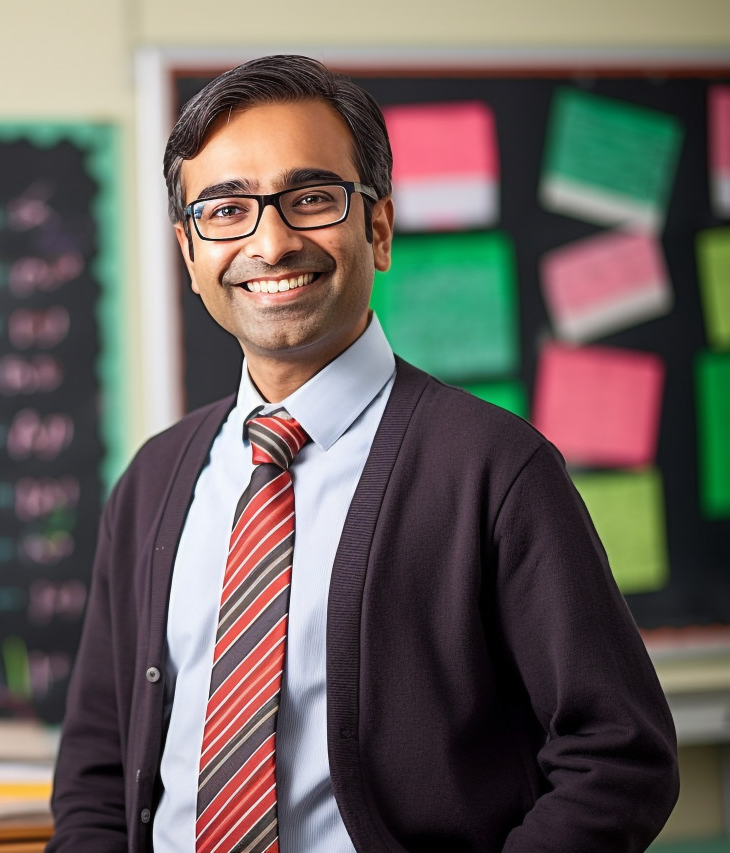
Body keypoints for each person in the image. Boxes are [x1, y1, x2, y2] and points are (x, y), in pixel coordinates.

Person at [47, 55, 679, 853]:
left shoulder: (494, 468)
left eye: (310, 199)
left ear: (377, 227)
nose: (270, 243)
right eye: (226, 210)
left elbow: (620, 755)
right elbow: (99, 767)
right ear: (190, 251)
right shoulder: (153, 480)